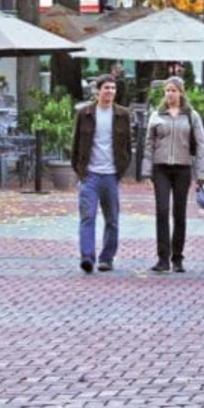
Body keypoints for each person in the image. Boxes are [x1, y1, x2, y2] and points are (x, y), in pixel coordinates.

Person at [141, 76, 204, 273]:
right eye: (167, 90)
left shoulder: (191, 116)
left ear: (181, 92)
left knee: (179, 213)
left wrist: (202, 175)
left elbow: (201, 144)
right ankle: (163, 258)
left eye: (173, 90)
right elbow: (148, 144)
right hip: (161, 167)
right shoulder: (157, 115)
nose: (170, 94)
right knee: (162, 211)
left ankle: (177, 257)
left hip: (182, 168)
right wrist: (146, 172)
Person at [71, 76, 133, 274]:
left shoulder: (123, 114)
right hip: (90, 174)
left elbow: (127, 147)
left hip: (111, 174)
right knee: (87, 216)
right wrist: (80, 171)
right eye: (106, 88)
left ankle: (107, 257)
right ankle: (87, 257)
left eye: (113, 88)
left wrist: (120, 170)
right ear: (98, 90)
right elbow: (76, 144)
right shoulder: (85, 113)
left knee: (112, 219)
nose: (110, 92)